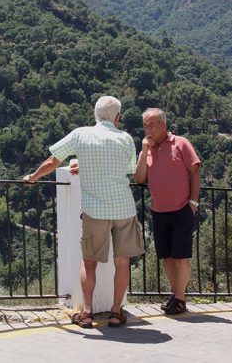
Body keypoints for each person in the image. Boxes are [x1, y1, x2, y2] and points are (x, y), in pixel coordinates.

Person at [23, 96, 141, 328]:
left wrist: (33, 177)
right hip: (124, 208)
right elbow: (129, 170)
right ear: (117, 117)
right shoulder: (126, 138)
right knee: (123, 261)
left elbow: (53, 160)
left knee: (89, 263)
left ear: (95, 114)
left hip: (95, 210)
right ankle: (116, 312)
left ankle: (86, 313)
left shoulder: (80, 134)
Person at [134, 108, 200, 315]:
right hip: (158, 211)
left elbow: (195, 170)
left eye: (151, 125)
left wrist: (193, 202)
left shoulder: (180, 143)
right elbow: (139, 179)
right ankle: (176, 294)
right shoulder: (147, 151)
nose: (147, 129)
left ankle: (180, 298)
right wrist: (144, 152)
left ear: (163, 125)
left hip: (182, 209)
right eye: (145, 125)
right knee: (167, 257)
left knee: (181, 256)